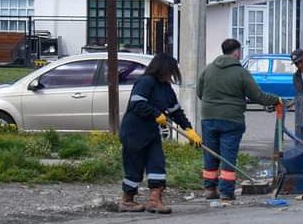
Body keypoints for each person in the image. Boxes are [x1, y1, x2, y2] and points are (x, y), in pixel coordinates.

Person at [197, 38, 281, 200]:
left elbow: (200, 92)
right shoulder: (241, 72)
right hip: (231, 119)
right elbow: (257, 95)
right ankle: (226, 192)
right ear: (236, 52)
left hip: (208, 117)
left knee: (211, 153)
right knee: (228, 154)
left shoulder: (208, 70)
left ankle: (210, 189)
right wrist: (275, 99)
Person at [118, 53, 201, 214]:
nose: (171, 76)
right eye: (170, 72)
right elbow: (137, 104)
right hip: (134, 131)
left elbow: (175, 111)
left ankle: (154, 200)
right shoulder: (145, 82)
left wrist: (189, 130)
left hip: (151, 133)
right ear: (161, 69)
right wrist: (155, 114)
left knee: (157, 164)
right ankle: (127, 201)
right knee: (134, 167)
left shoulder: (165, 88)